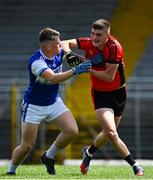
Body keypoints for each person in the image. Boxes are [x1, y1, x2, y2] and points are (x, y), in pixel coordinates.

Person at [61, 19, 144, 176]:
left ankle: (89, 152)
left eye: (99, 34)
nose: (94, 37)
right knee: (112, 133)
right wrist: (69, 54)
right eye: (92, 33)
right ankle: (134, 165)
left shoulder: (114, 48)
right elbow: (64, 42)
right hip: (101, 95)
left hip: (119, 93)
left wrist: (85, 67)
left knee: (107, 133)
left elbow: (108, 77)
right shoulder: (89, 43)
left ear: (108, 34)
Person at [6, 27, 92, 175]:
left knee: (72, 130)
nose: (60, 45)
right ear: (47, 46)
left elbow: (65, 45)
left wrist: (74, 56)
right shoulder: (36, 62)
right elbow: (52, 78)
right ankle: (10, 171)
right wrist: (75, 70)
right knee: (27, 145)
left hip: (53, 102)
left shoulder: (58, 51)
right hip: (33, 105)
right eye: (57, 43)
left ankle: (49, 156)